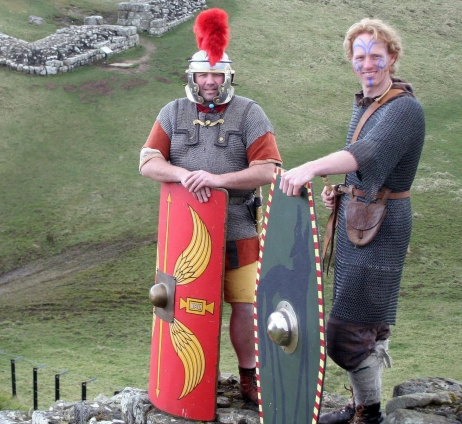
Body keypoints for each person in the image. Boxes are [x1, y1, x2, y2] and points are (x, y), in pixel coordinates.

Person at [279, 18, 425, 424]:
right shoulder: (367, 104)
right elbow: (363, 166)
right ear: (351, 59)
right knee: (368, 326)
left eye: (376, 56)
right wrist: (341, 191)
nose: (368, 64)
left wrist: (310, 167)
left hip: (383, 226)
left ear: (392, 58)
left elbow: (370, 151)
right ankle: (366, 407)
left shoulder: (405, 109)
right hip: (359, 219)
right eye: (360, 56)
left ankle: (370, 413)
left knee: (346, 334)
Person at [138, 8, 282, 404]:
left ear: (228, 77)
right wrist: (183, 175)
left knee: (245, 305)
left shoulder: (250, 113)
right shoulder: (173, 112)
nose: (210, 82)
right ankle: (195, 382)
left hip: (238, 225)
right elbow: (148, 162)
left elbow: (269, 170)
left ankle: (249, 377)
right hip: (185, 230)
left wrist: (218, 181)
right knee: (184, 304)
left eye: (217, 75)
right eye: (204, 74)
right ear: (193, 77)